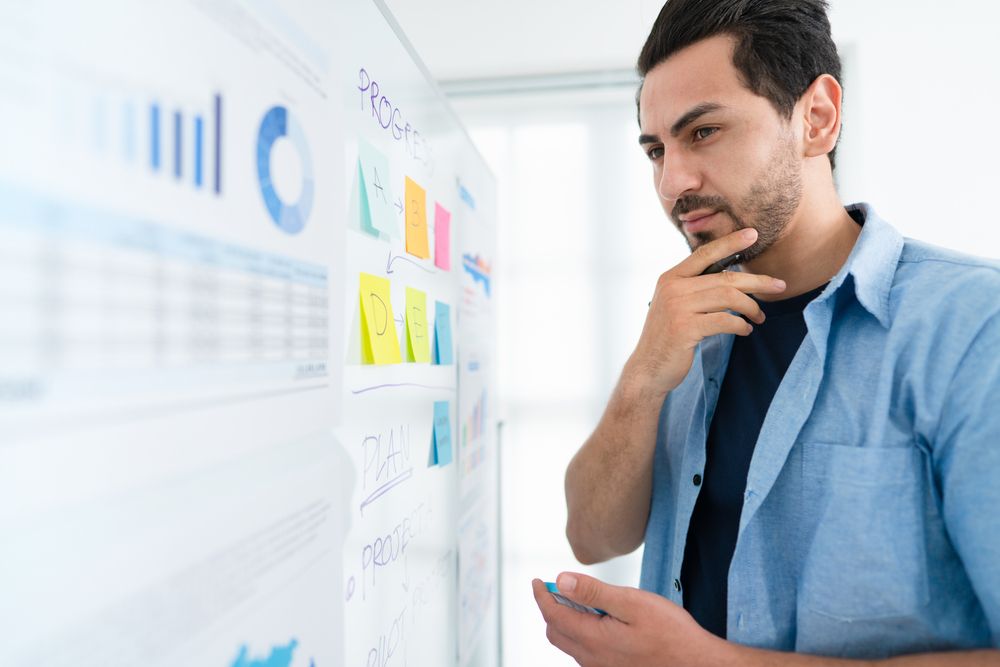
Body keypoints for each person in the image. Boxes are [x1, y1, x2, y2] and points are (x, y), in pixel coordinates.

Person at [532, 0, 1000, 664]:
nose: (673, 184)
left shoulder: (974, 326)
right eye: (656, 150)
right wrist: (642, 375)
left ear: (817, 118)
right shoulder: (682, 324)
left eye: (704, 133)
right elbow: (593, 534)